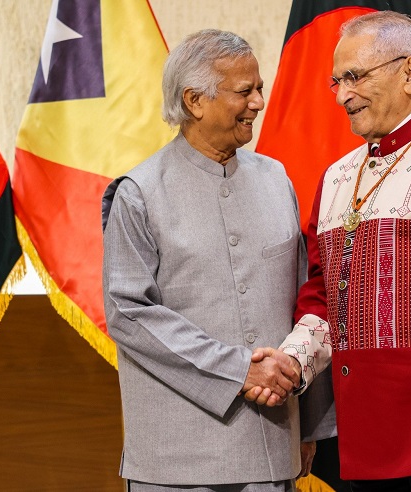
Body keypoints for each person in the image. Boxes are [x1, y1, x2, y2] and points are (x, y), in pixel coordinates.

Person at [246, 11, 411, 491]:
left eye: (355, 76)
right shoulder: (335, 177)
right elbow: (322, 298)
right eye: (336, 81)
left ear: (409, 73)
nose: (342, 95)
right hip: (359, 439)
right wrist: (289, 364)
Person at [102, 29, 334, 492]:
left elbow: (304, 300)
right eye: (245, 91)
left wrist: (307, 427)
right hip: (174, 459)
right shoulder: (139, 193)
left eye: (260, 88)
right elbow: (129, 313)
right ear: (194, 100)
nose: (259, 102)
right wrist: (238, 369)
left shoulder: (277, 179)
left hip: (271, 446)